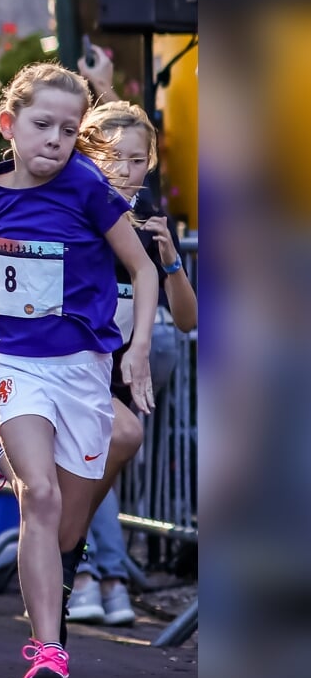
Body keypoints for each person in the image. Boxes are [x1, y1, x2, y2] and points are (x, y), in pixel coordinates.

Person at [0, 63, 158, 678]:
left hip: (82, 371)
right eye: (41, 125)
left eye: (68, 129)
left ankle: (8, 462)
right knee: (41, 500)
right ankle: (48, 654)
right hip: (16, 366)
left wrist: (135, 351)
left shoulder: (88, 189)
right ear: (8, 125)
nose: (55, 139)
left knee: (64, 525)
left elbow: (141, 265)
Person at [66, 102, 197, 628]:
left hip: (120, 376)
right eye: (112, 157)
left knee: (106, 461)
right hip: (69, 369)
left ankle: (84, 561)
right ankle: (96, 571)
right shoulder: (75, 218)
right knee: (110, 448)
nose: (124, 170)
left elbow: (186, 321)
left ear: (151, 163)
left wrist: (170, 262)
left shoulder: (147, 229)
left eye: (136, 159)